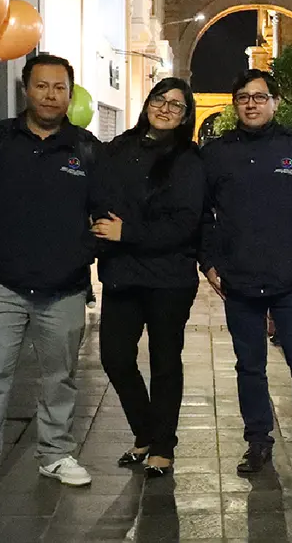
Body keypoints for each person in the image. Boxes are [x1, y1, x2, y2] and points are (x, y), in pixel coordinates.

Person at [0, 54, 100, 501]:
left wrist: (82, 255)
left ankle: (55, 453)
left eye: (59, 88)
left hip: (63, 287)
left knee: (60, 376)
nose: (50, 95)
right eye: (41, 86)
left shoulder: (87, 149)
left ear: (70, 95)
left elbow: (106, 212)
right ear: (26, 91)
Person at [200, 69, 292, 477]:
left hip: (290, 277)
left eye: (259, 97)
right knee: (249, 367)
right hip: (238, 281)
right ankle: (257, 441)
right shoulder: (216, 153)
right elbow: (202, 215)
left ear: (275, 102)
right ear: (235, 104)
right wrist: (208, 262)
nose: (251, 104)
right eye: (243, 97)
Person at [90, 78, 202, 477]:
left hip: (169, 277)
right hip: (123, 273)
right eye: (160, 99)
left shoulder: (189, 159)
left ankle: (162, 446)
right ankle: (145, 432)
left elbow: (185, 223)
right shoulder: (119, 148)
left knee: (164, 361)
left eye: (177, 105)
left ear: (186, 115)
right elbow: (100, 197)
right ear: (148, 102)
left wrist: (129, 231)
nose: (166, 108)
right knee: (116, 358)